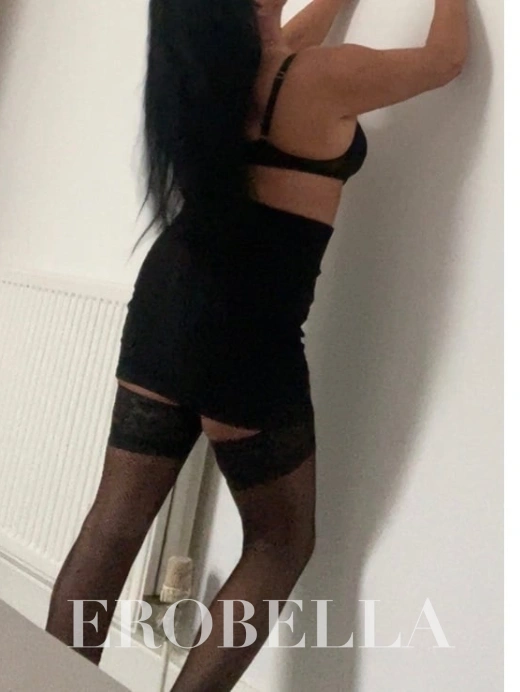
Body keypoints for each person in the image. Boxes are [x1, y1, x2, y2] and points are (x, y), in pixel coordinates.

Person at [45, 0, 469, 689]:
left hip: (167, 304)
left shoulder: (222, 71)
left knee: (113, 525)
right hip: (246, 330)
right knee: (280, 541)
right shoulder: (317, 77)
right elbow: (445, 61)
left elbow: (294, 37)